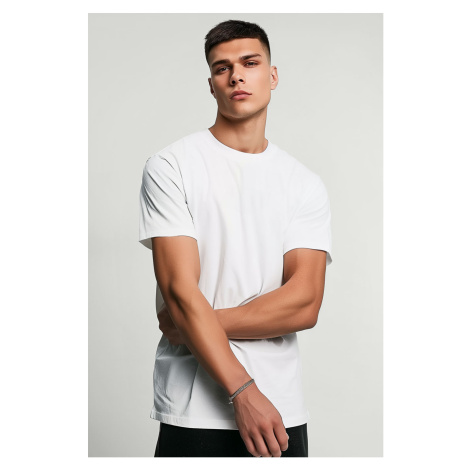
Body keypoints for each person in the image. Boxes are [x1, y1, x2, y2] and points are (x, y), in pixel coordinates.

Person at [138, 19, 333, 458]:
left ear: (273, 75)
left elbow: (305, 303)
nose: (236, 76)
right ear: (211, 85)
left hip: (281, 409)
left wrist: (191, 324)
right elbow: (180, 292)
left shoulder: (303, 183)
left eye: (250, 63)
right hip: (196, 410)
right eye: (222, 67)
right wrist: (243, 390)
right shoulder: (171, 166)